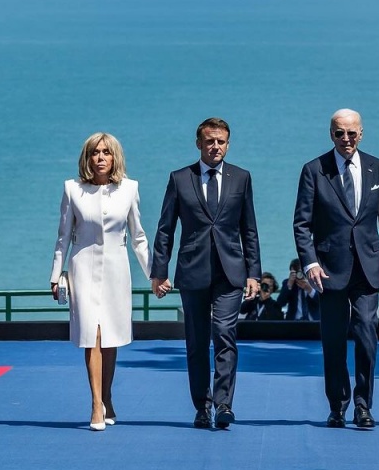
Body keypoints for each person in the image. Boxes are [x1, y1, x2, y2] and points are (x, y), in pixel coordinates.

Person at [293, 108, 379, 429]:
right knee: (332, 340)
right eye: (340, 133)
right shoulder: (314, 170)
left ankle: (363, 404)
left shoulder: (378, 169)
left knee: (367, 333)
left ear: (361, 133)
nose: (346, 139)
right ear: (331, 134)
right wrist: (310, 262)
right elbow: (301, 223)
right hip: (328, 270)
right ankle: (337, 404)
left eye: (352, 133)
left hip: (367, 268)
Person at [151, 117, 261, 430]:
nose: (215, 147)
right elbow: (165, 229)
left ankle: (224, 405)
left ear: (228, 144)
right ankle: (202, 406)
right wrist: (159, 271)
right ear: (199, 143)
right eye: (210, 141)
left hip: (231, 273)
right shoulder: (179, 178)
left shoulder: (242, 178)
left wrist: (254, 272)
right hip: (192, 271)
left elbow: (249, 229)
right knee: (197, 342)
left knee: (225, 335)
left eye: (221, 142)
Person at [50, 132, 151, 431]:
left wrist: (155, 275)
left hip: (117, 271)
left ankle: (107, 395)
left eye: (106, 152)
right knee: (91, 335)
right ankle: (96, 403)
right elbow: (62, 237)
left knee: (110, 339)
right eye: (95, 152)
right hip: (82, 269)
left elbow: (139, 237)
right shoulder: (72, 189)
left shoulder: (129, 189)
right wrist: (55, 275)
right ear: (87, 157)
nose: (100, 158)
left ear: (115, 157)